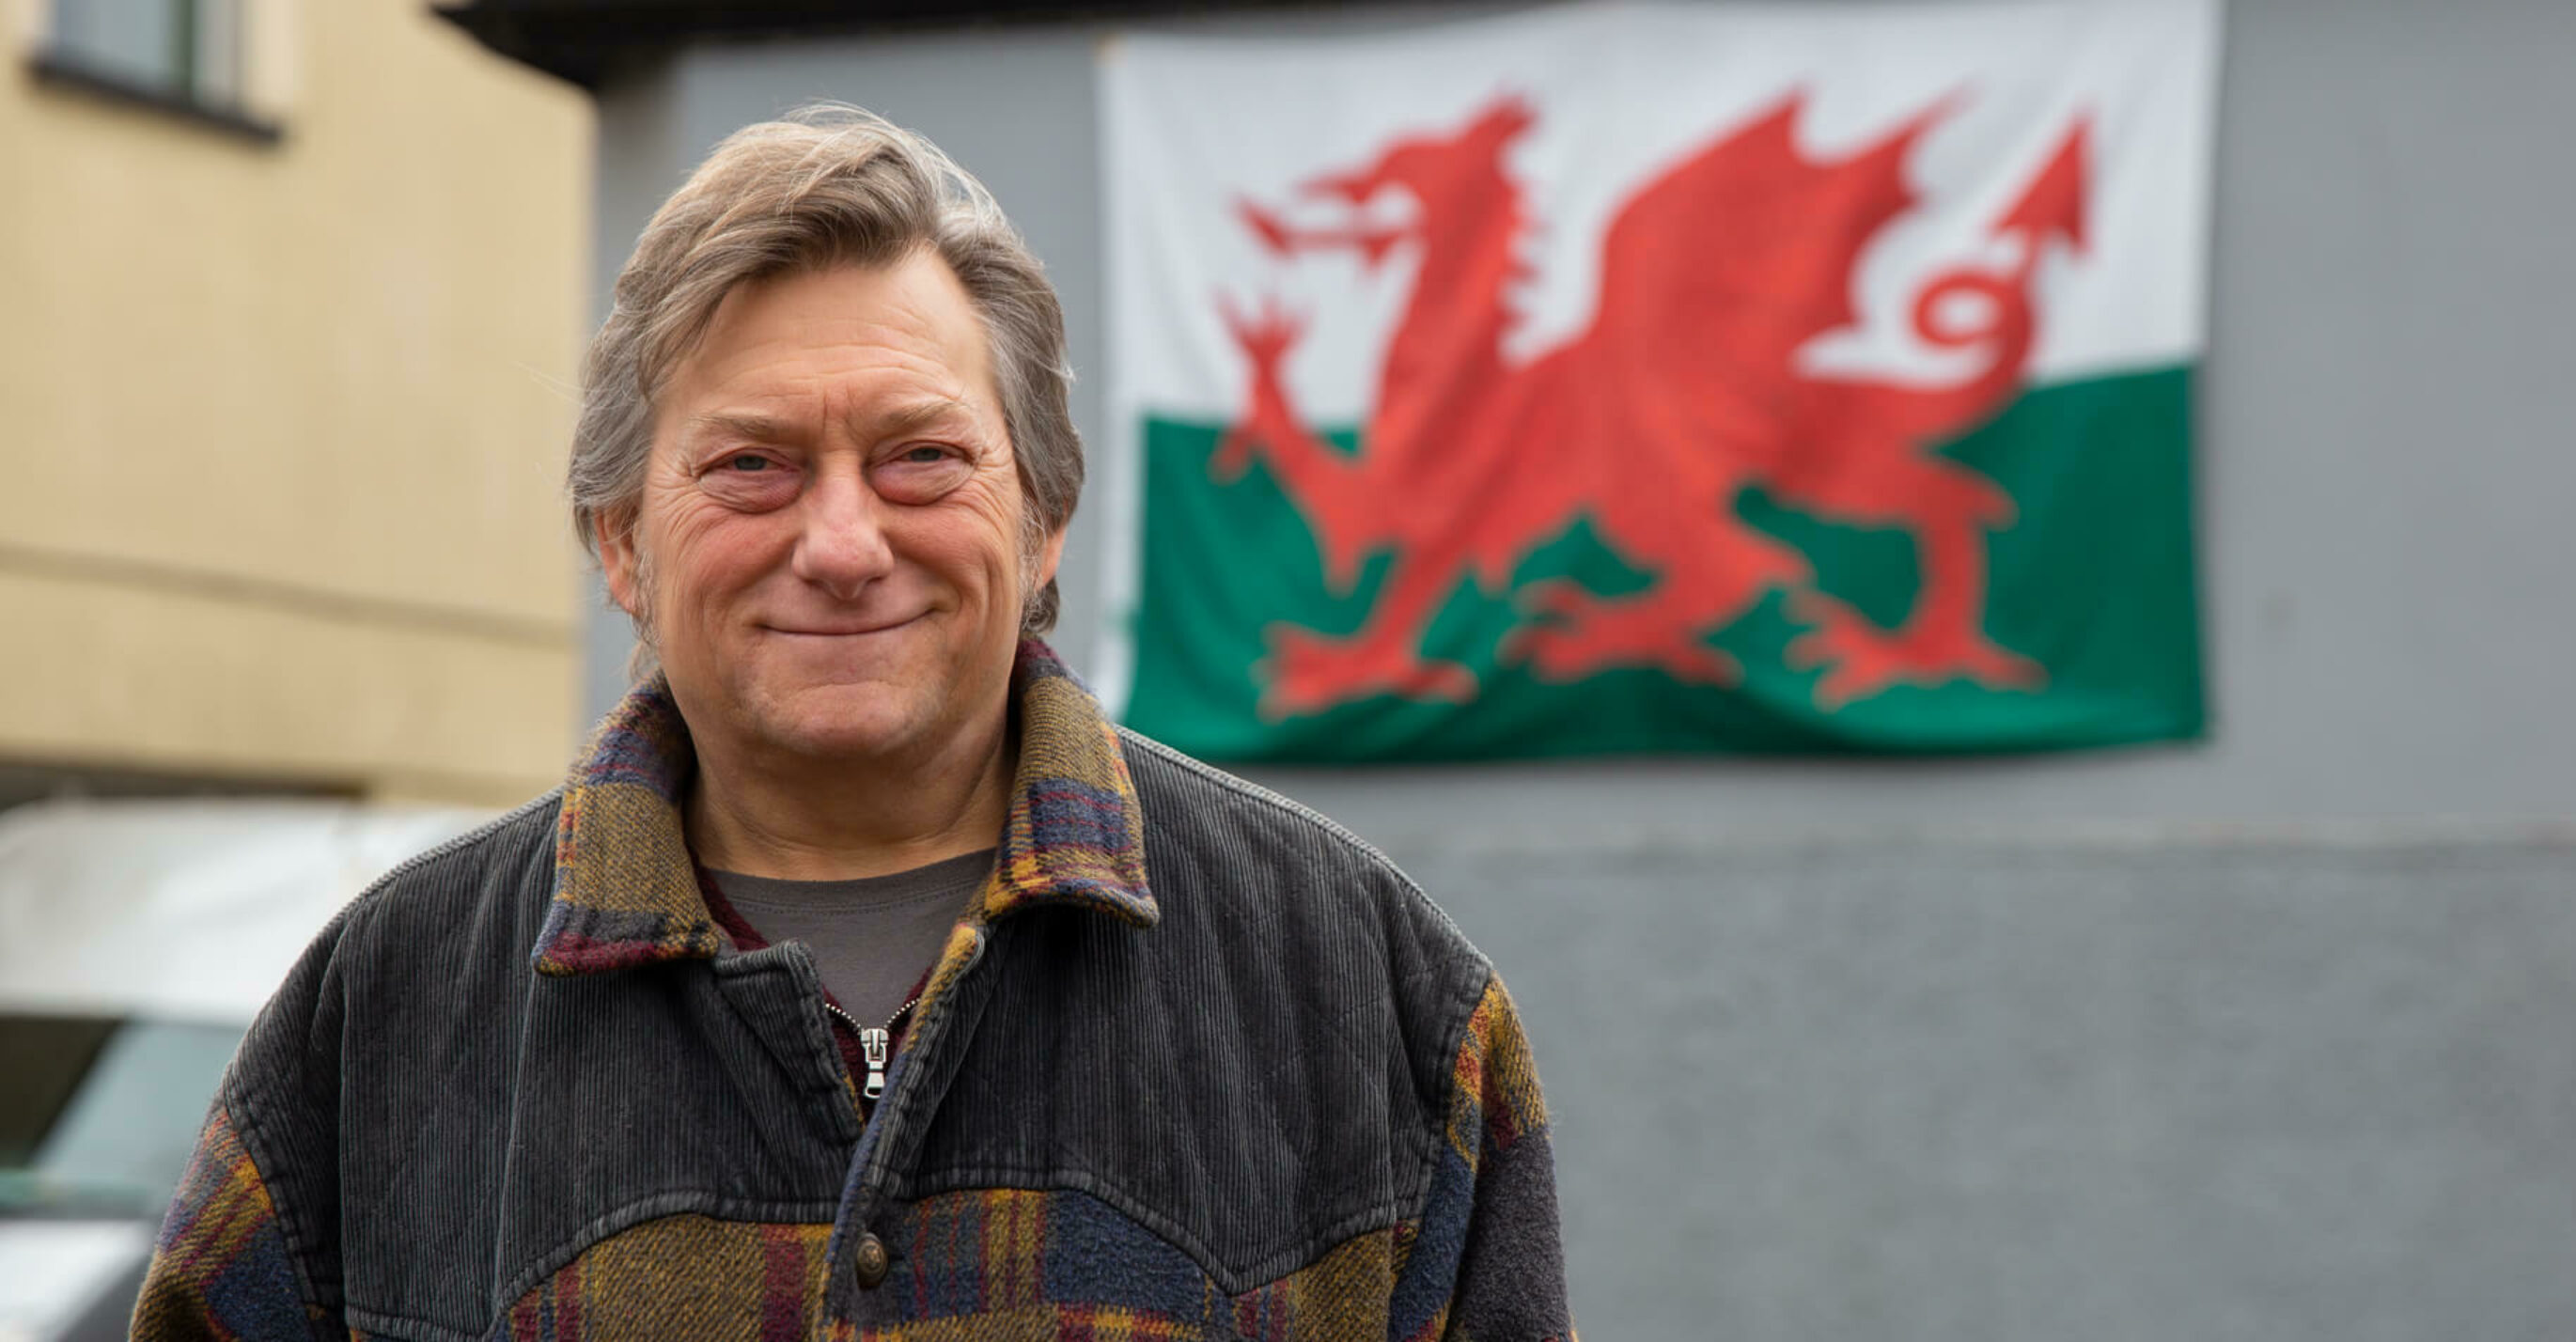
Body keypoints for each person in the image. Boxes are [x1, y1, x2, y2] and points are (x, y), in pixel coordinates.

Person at [131, 108, 1571, 1339]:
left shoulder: (1367, 993)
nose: (840, 542)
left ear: (1046, 515)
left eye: (921, 458)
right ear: (622, 541)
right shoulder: (382, 1016)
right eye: (752, 464)